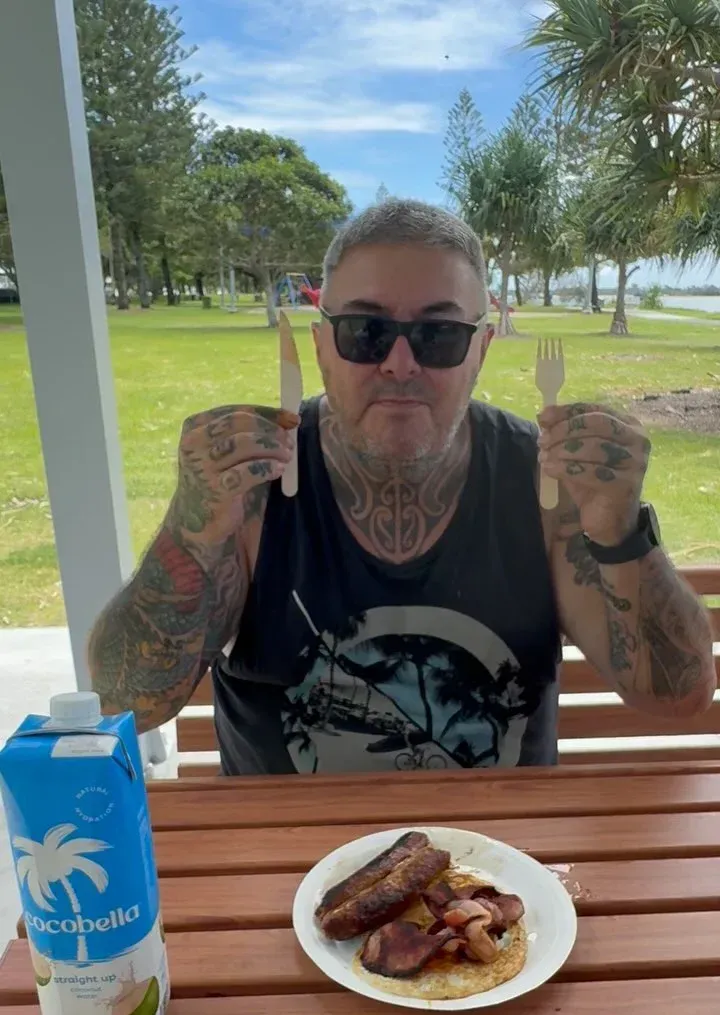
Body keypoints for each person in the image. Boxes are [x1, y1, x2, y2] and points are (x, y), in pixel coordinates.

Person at [87, 199, 715, 774]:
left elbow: (678, 697)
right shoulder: (254, 488)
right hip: (287, 846)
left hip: (500, 851)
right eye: (365, 331)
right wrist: (192, 529)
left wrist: (619, 531)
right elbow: (124, 702)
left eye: (439, 336)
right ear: (322, 347)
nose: (400, 364)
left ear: (481, 350)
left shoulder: (547, 486)